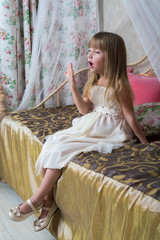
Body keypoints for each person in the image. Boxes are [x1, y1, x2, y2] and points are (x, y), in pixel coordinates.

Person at [9, 32, 148, 232]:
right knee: (52, 142)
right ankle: (47, 202)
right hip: (91, 124)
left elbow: (130, 117)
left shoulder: (120, 84)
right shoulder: (94, 81)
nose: (89, 55)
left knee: (61, 150)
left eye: (97, 51)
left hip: (109, 131)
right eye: (89, 51)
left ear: (112, 56)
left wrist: (144, 143)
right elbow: (84, 110)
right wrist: (73, 86)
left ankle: (37, 200)